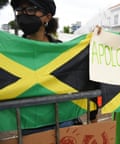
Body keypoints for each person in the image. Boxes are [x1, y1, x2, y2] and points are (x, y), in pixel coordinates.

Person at [10, 0, 84, 135]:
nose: (24, 14)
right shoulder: (8, 53)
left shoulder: (61, 50)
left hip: (63, 122)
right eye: (20, 10)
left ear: (47, 17)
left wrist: (107, 41)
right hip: (29, 128)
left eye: (31, 9)